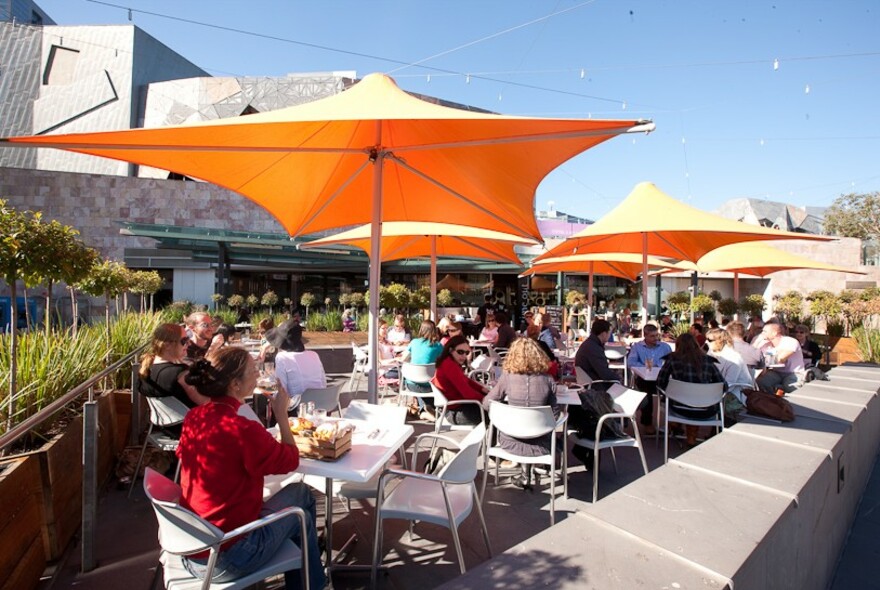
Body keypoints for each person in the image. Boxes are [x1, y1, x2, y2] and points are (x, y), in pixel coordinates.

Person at [177, 348, 325, 590]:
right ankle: (312, 582)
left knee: (301, 493)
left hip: (192, 546)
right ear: (235, 384)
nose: (258, 374)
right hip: (228, 556)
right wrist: (282, 415)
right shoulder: (242, 429)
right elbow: (291, 460)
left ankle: (310, 567)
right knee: (303, 517)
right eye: (253, 370)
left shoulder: (195, 417)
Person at [483, 338, 559, 490]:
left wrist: (505, 415)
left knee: (524, 426)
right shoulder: (548, 380)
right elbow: (554, 414)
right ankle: (528, 474)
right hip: (542, 445)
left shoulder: (507, 378)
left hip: (510, 442)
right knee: (536, 428)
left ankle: (525, 475)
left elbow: (486, 403)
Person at [657, 333, 726, 448]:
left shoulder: (672, 359)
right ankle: (691, 438)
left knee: (677, 399)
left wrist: (673, 389)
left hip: (678, 409)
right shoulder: (709, 361)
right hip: (706, 410)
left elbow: (660, 382)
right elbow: (722, 385)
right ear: (696, 344)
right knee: (696, 401)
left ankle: (674, 424)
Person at [138, 323, 209, 434]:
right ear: (167, 345)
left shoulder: (146, 370)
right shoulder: (180, 373)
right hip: (191, 429)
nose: (188, 344)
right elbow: (205, 402)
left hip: (166, 427)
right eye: (184, 340)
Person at [431, 335, 489, 425]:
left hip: (454, 409)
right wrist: (488, 399)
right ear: (450, 350)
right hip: (455, 413)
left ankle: (490, 438)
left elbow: (466, 380)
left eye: (466, 353)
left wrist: (482, 389)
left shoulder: (449, 362)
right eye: (460, 352)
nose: (464, 356)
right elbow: (468, 394)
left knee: (498, 409)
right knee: (498, 413)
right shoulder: (449, 365)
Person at [266, 320, 327, 404]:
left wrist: (264, 386)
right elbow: (323, 383)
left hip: (296, 407)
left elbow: (281, 390)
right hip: (323, 404)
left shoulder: (282, 357)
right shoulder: (314, 355)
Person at [626, 324, 672, 435]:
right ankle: (647, 423)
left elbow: (672, 362)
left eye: (657, 335)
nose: (656, 338)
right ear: (645, 335)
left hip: (662, 377)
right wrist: (644, 366)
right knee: (645, 391)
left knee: (675, 389)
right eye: (652, 336)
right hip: (645, 378)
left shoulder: (664, 347)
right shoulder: (637, 347)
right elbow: (630, 362)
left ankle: (673, 423)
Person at [401, 320, 443, 419]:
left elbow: (404, 359)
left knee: (414, 379)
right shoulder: (438, 345)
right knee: (430, 379)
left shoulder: (414, 342)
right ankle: (426, 410)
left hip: (412, 384)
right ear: (434, 330)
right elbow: (443, 361)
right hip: (430, 384)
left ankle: (422, 410)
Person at [754, 322, 806, 394]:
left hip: (794, 373)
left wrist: (763, 361)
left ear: (774, 333)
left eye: (765, 331)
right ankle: (772, 401)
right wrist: (757, 342)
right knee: (760, 383)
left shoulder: (790, 341)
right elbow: (752, 355)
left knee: (790, 387)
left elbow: (781, 359)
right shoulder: (765, 344)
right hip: (776, 372)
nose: (762, 334)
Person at [705, 328, 753, 405]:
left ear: (720, 341)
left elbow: (730, 384)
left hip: (735, 393)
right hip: (717, 388)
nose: (706, 342)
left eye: (709, 340)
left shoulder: (733, 358)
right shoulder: (712, 352)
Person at [574, 319, 621, 387]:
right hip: (595, 385)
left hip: (588, 382)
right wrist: (618, 378)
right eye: (609, 333)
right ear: (604, 334)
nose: (610, 335)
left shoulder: (589, 344)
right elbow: (605, 374)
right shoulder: (593, 348)